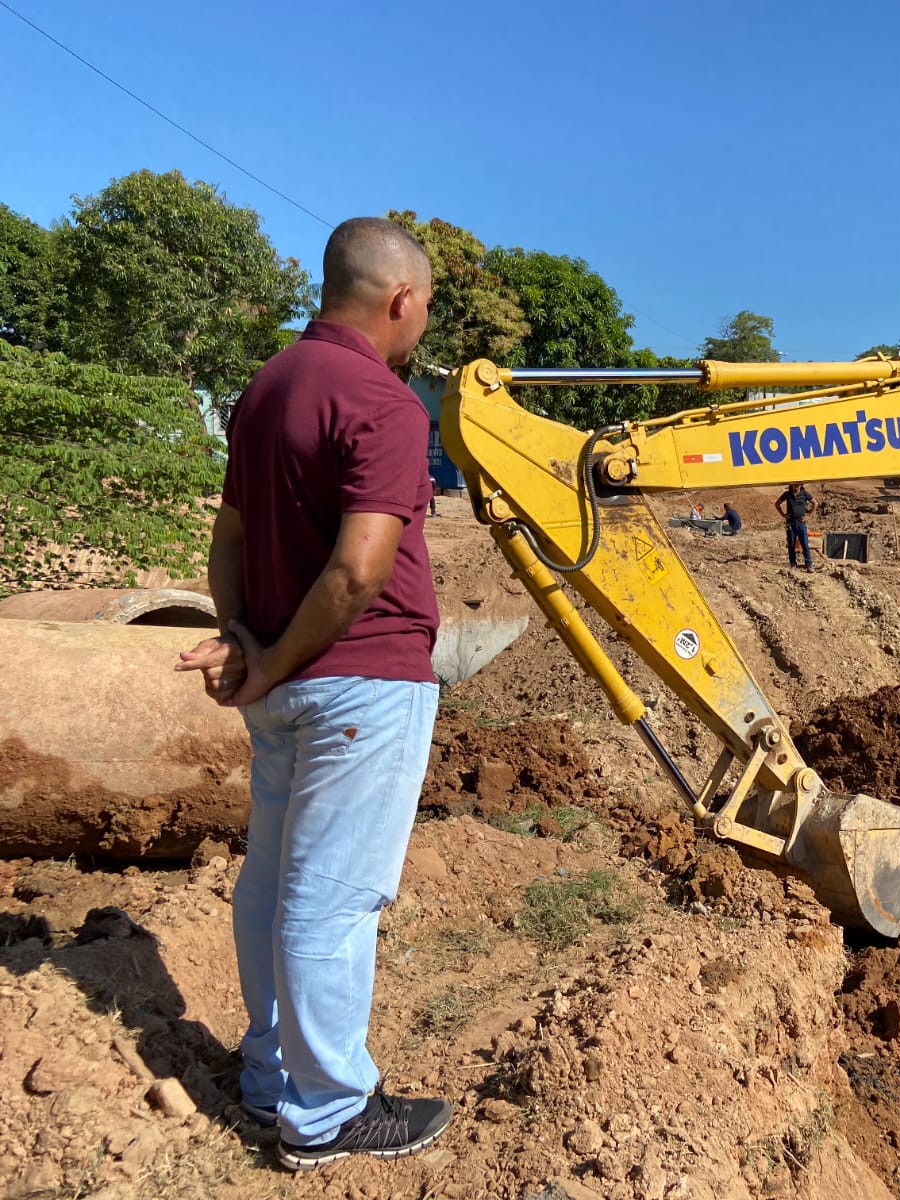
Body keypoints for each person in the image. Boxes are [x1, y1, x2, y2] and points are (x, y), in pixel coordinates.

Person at [175, 217, 452, 1170]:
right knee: (331, 900)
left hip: (285, 691)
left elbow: (228, 539)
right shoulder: (383, 403)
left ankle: (268, 1075)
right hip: (360, 685)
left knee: (271, 884)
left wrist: (247, 644)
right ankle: (329, 1110)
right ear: (401, 299)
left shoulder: (265, 390)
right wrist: (279, 656)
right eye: (426, 307)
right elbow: (357, 572)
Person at [775, 482, 815, 570]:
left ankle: (808, 565)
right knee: (791, 544)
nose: (796, 485)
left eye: (798, 484)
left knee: (805, 544)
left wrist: (809, 516)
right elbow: (777, 504)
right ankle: (793, 564)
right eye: (794, 484)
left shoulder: (805, 494)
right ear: (791, 484)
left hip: (801, 524)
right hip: (790, 524)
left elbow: (815, 503)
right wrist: (783, 515)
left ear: (801, 485)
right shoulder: (787, 494)